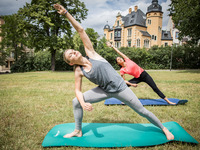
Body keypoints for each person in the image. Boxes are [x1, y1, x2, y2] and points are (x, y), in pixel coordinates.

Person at [53, 3, 174, 140]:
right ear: (71, 62)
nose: (74, 52)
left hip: (121, 88)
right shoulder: (78, 70)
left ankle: (164, 129)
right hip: (104, 90)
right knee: (76, 101)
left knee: (141, 111)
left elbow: (81, 30)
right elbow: (78, 91)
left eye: (73, 51)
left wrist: (66, 13)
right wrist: (82, 103)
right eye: (71, 55)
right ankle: (78, 130)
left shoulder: (91, 54)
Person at [106, 41, 176, 105]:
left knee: (155, 88)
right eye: (118, 59)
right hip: (137, 78)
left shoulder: (127, 60)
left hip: (144, 74)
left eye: (120, 58)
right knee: (124, 86)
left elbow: (119, 52)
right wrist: (132, 84)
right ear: (118, 63)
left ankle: (168, 101)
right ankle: (125, 99)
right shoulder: (122, 70)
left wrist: (112, 46)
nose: (120, 58)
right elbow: (124, 81)